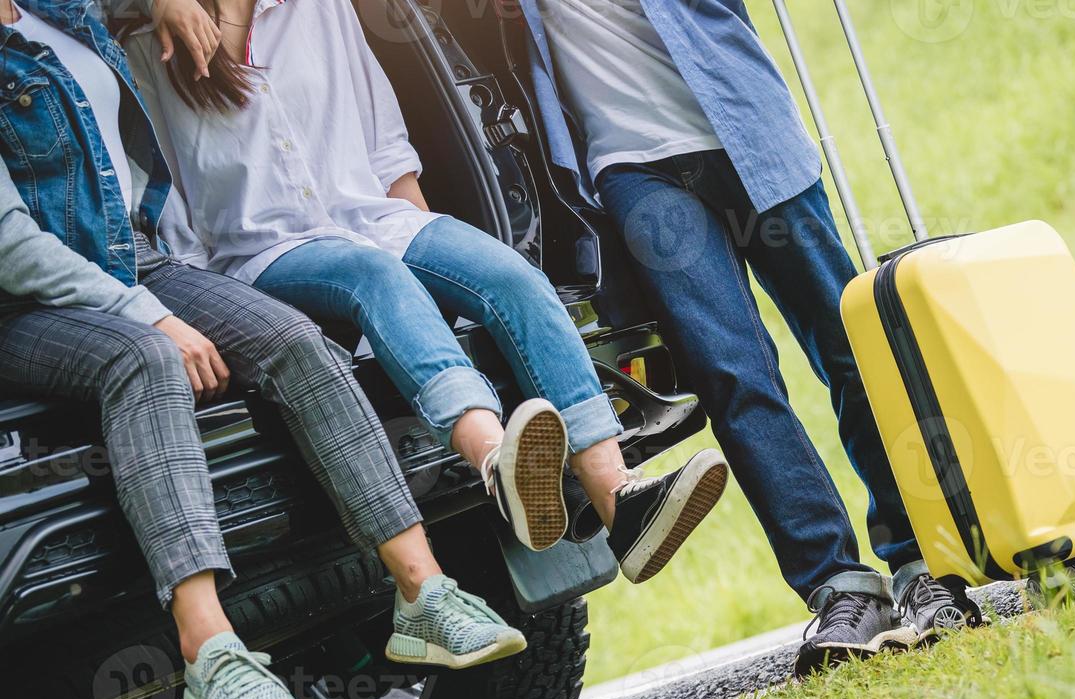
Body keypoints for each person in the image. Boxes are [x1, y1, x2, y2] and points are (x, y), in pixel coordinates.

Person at [0, 0, 535, 699]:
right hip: (21, 304)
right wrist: (148, 313)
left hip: (136, 259)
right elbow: (10, 245)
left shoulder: (58, 13)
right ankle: (210, 651)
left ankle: (425, 593)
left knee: (293, 339)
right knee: (147, 361)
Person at [122, 0, 729, 588]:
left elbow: (382, 133)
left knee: (509, 277)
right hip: (260, 256)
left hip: (374, 218)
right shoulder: (147, 42)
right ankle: (498, 463)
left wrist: (437, 252)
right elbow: (167, 209)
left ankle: (617, 499)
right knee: (374, 276)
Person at [516, 0, 985, 673]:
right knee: (733, 377)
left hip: (745, 132)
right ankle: (837, 586)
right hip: (633, 173)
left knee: (851, 349)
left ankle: (921, 558)